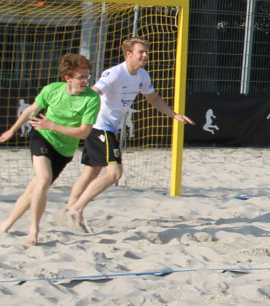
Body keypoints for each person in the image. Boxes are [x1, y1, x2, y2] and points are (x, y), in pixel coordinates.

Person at [64, 37, 193, 231]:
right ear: (128, 54)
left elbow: (154, 98)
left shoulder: (142, 75)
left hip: (108, 128)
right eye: (141, 52)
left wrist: (174, 114)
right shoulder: (115, 73)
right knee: (115, 173)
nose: (145, 55)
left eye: (146, 52)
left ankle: (68, 212)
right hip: (100, 127)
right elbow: (94, 92)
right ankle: (77, 208)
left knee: (91, 172)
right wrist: (74, 111)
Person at [0, 53, 101, 245]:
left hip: (64, 150)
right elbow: (31, 111)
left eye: (87, 76)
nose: (86, 81)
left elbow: (83, 133)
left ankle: (7, 223)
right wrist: (12, 130)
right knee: (43, 181)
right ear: (68, 78)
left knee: (34, 188)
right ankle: (34, 230)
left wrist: (53, 125)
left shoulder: (91, 99)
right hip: (42, 136)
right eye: (81, 77)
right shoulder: (52, 90)